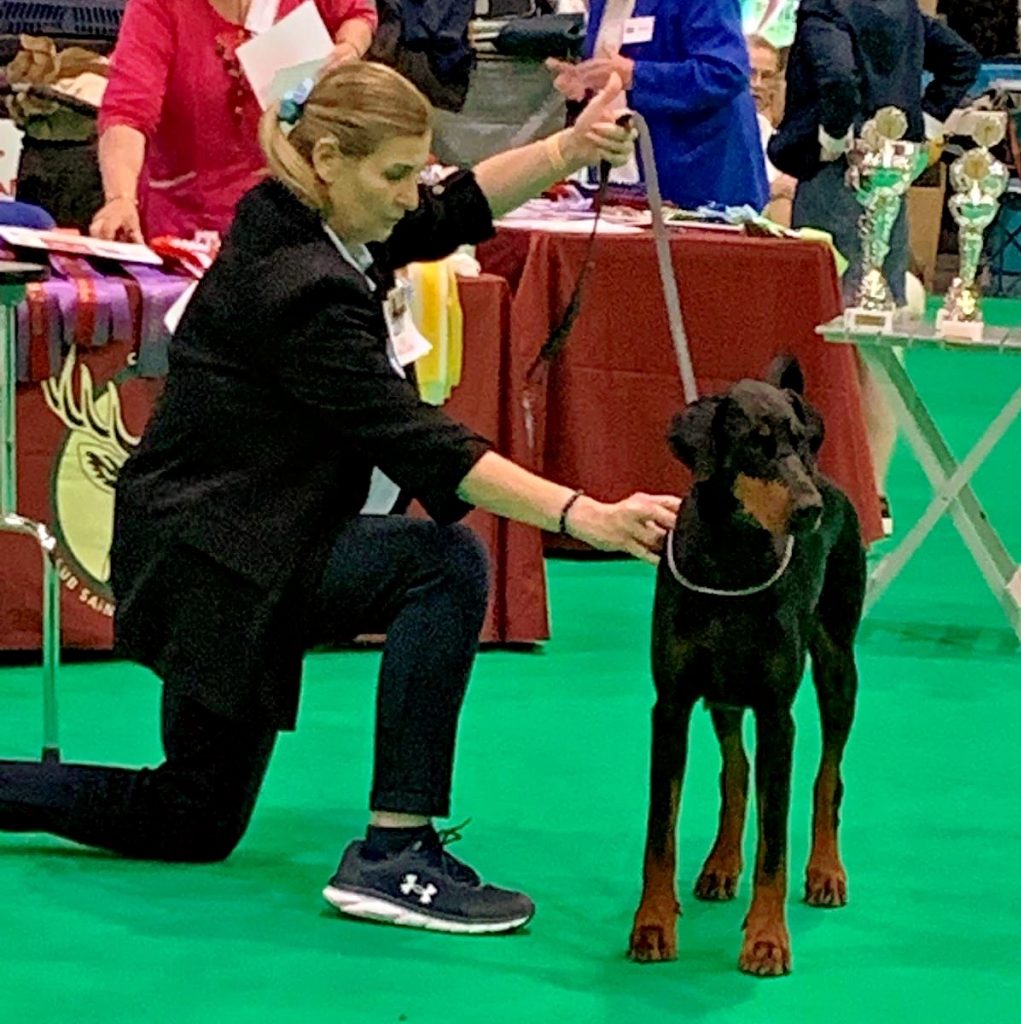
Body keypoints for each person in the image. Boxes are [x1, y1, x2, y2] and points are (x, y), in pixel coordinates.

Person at [0, 62, 678, 936]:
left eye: (417, 171)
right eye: (395, 175)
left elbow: (448, 214)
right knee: (440, 563)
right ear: (326, 156)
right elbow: (420, 438)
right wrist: (587, 514)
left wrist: (569, 146)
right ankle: (395, 852)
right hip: (219, 562)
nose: (411, 196)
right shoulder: (301, 286)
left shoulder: (297, 210)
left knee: (192, 818)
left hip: (227, 538)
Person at [768, 0, 979, 533]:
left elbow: (837, 82)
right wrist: (918, 129)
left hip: (837, 183)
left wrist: (834, 139)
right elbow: (963, 60)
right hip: (892, 184)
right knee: (879, 336)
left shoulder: (825, 10)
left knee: (833, 332)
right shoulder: (900, 9)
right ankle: (873, 489)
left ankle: (832, 486)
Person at [90, 0, 378, 244]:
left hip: (296, 215)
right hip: (186, 229)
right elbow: (128, 110)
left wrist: (349, 47)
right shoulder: (159, 6)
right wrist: (120, 198)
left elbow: (357, 11)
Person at [546, 0, 769, 211]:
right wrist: (585, 83)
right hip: (621, 181)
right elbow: (615, 72)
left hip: (699, 182)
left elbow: (725, 72)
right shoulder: (603, 4)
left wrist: (636, 75)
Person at [746, 34, 797, 225]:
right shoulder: (719, 128)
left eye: (766, 76)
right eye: (750, 73)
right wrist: (772, 190)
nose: (757, 84)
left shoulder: (772, 133)